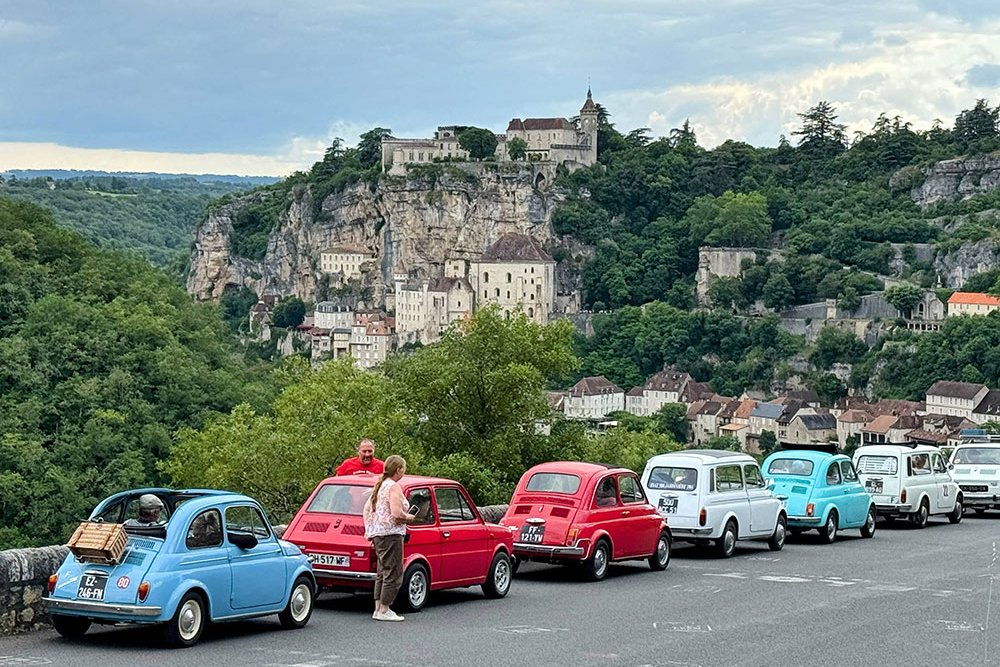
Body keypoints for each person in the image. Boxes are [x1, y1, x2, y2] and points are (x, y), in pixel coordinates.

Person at [363, 455, 416, 622]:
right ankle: (385, 608)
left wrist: (369, 529)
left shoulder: (379, 486)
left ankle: (378, 607)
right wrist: (409, 517)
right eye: (403, 470)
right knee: (393, 572)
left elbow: (366, 510)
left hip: (378, 534)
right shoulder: (393, 487)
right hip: (391, 534)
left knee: (382, 572)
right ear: (398, 470)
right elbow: (396, 513)